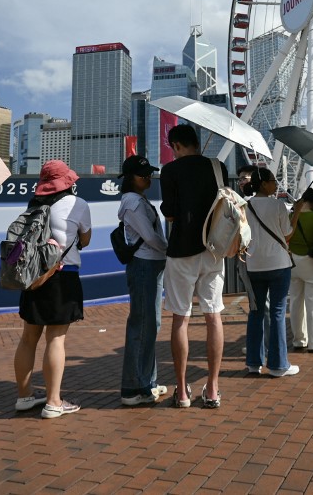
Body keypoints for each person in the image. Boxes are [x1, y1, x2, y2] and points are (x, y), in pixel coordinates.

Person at [14, 160, 92, 419]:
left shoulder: (34, 204)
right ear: (67, 182)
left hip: (34, 277)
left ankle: (24, 396)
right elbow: (85, 239)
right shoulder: (77, 205)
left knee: (28, 338)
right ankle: (53, 402)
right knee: (56, 339)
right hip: (62, 276)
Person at [159, 124, 226, 409]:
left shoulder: (170, 171)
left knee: (181, 319)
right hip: (213, 250)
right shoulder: (217, 166)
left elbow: (171, 213)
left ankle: (183, 392)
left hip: (182, 250)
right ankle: (212, 389)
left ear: (175, 146)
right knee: (214, 316)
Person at [117, 155, 169, 406]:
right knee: (144, 325)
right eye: (142, 174)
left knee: (150, 324)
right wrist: (171, 250)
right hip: (144, 265)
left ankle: (146, 381)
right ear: (129, 178)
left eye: (149, 173)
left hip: (149, 265)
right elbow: (150, 237)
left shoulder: (138, 200)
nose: (148, 177)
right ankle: (133, 387)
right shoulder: (134, 202)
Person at [243, 167, 298, 376]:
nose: (276, 184)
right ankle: (278, 365)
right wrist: (298, 211)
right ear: (264, 183)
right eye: (273, 181)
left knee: (255, 312)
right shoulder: (277, 205)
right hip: (278, 264)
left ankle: (253, 363)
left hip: (254, 265)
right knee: (277, 312)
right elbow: (287, 235)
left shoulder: (245, 206)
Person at [287, 187, 313, 352]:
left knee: (296, 301)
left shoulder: (291, 216)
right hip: (311, 262)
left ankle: (299, 339)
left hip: (292, 261)